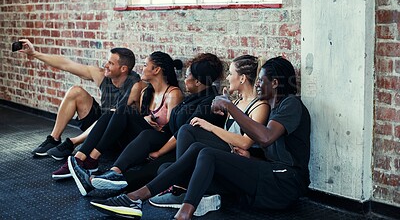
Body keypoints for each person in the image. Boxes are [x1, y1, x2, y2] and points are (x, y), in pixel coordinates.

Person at [89, 56, 311, 220]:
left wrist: (229, 107)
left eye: (262, 80)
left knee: (206, 153)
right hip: (270, 178)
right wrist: (248, 158)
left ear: (275, 83)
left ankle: (181, 214)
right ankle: (135, 198)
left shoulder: (290, 103)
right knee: (196, 149)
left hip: (285, 184)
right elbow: (268, 151)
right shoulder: (274, 109)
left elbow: (266, 138)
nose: (258, 84)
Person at [68, 53, 227, 196]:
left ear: (198, 81)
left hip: (180, 150)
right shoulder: (192, 97)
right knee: (119, 112)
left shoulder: (207, 103)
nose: (184, 79)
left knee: (153, 166)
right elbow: (173, 125)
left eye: (187, 76)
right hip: (166, 139)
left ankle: (105, 183)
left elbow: (183, 132)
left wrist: (160, 151)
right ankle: (102, 168)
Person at [148, 55, 269, 210]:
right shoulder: (236, 102)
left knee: (186, 132)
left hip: (237, 162)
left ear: (242, 78)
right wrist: (224, 106)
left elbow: (245, 143)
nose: (227, 77)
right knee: (164, 168)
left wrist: (210, 126)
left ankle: (182, 189)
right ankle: (191, 190)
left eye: (231, 74)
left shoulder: (260, 106)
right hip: (224, 153)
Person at [55, 51, 184, 190]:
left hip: (160, 142)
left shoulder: (173, 94)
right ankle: (81, 159)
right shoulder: (146, 92)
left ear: (156, 70)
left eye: (146, 65)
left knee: (124, 112)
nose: (142, 68)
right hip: (142, 139)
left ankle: (93, 161)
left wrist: (159, 153)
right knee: (113, 113)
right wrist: (145, 118)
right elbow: (140, 121)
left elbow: (175, 132)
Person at [18, 39, 145, 160]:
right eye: (107, 61)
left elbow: (121, 117)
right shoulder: (102, 75)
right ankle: (54, 139)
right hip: (100, 123)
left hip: (116, 134)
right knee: (76, 91)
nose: (105, 65)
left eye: (111, 63)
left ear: (123, 69)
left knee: (111, 114)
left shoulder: (135, 85)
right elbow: (65, 64)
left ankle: (73, 143)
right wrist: (34, 53)